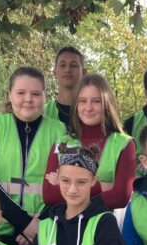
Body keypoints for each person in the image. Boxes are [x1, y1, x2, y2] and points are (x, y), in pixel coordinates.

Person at [0, 67, 66, 245]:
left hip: (44, 232)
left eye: (35, 94)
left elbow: (67, 182)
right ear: (10, 95)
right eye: (21, 93)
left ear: (45, 97)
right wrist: (24, 223)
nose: (28, 99)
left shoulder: (60, 132)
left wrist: (39, 224)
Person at [42, 73, 137, 211]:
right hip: (66, 229)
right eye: (82, 101)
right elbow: (49, 195)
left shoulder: (124, 144)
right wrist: (101, 186)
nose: (88, 107)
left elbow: (121, 197)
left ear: (106, 104)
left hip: (104, 228)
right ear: (76, 104)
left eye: (96, 101)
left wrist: (67, 188)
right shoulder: (61, 143)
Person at [44, 45, 86, 128]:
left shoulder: (94, 112)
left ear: (84, 73)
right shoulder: (42, 113)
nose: (67, 70)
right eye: (63, 65)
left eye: (74, 65)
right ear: (55, 72)